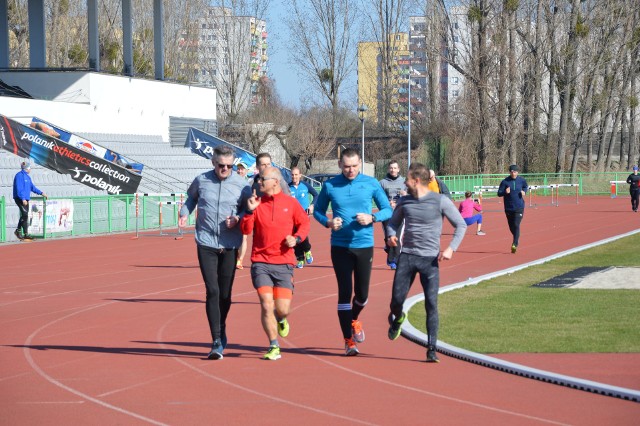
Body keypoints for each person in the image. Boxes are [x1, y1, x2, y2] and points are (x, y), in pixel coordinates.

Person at [313, 148, 393, 356]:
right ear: (340, 165)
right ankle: (348, 340)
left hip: (364, 245)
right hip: (340, 246)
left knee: (363, 295)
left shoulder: (371, 183)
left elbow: (388, 209)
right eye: (347, 166)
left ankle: (354, 319)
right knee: (344, 293)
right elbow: (318, 211)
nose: (350, 170)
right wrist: (329, 222)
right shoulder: (330, 185)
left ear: (360, 164)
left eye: (354, 166)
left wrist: (372, 218)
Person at [386, 162, 467, 363]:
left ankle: (432, 349)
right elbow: (393, 223)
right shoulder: (405, 202)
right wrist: (390, 235)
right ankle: (398, 318)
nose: (404, 182)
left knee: (431, 303)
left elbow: (461, 224)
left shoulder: (440, 201)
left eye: (407, 179)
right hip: (407, 256)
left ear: (417, 180)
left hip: (429, 260)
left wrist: (450, 248)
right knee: (396, 302)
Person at [178, 146, 251, 360]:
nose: (225, 169)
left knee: (226, 294)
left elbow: (249, 209)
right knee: (212, 291)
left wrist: (238, 218)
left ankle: (221, 324)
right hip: (206, 242)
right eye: (221, 165)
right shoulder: (201, 180)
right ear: (213, 162)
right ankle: (216, 340)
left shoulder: (241, 185)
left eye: (229, 166)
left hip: (230, 244)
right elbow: (191, 199)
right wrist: (184, 212)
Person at [240, 167, 310, 360]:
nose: (259, 182)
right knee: (266, 304)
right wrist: (248, 211)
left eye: (263, 179)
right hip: (260, 262)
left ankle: (281, 319)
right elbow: (245, 229)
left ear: (276, 182)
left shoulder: (291, 204)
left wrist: (296, 238)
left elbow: (304, 224)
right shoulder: (257, 204)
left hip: (284, 263)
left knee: (282, 309)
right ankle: (273, 345)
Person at [379, 160, 406, 269]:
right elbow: (379, 197)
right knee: (388, 238)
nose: (393, 170)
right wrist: (387, 203)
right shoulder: (382, 183)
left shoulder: (404, 182)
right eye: (391, 168)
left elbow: (412, 196)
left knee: (397, 238)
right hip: (386, 213)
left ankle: (395, 260)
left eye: (395, 168)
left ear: (398, 169)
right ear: (388, 169)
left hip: (400, 213)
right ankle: (389, 251)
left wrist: (405, 195)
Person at [288, 167, 318, 268]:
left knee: (302, 234)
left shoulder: (305, 185)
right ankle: (300, 258)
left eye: (296, 175)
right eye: (292, 175)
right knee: (294, 236)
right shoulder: (288, 187)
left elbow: (316, 195)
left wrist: (312, 205)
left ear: (300, 175)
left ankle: (307, 250)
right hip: (291, 216)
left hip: (304, 215)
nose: (294, 177)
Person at [497, 164, 528, 253]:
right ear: (509, 172)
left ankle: (515, 243)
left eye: (514, 172)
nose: (513, 173)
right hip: (508, 208)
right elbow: (499, 193)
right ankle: (516, 237)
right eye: (511, 172)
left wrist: (524, 191)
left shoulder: (522, 180)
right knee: (511, 227)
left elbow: (526, 186)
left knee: (516, 224)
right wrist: (505, 192)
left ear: (517, 172)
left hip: (519, 207)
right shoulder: (505, 182)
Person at [13, 161, 47, 240]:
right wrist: (23, 198)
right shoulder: (19, 176)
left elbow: (32, 187)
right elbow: (19, 188)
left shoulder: (28, 177)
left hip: (25, 199)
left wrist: (41, 193)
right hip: (20, 198)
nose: (30, 169)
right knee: (25, 215)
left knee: (25, 216)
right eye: (29, 168)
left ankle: (25, 234)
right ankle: (18, 231)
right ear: (27, 168)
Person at [235, 162, 250, 269]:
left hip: (244, 213)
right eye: (238, 169)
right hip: (232, 212)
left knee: (243, 237)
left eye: (242, 169)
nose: (240, 171)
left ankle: (240, 260)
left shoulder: (248, 183)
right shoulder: (231, 181)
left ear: (246, 171)